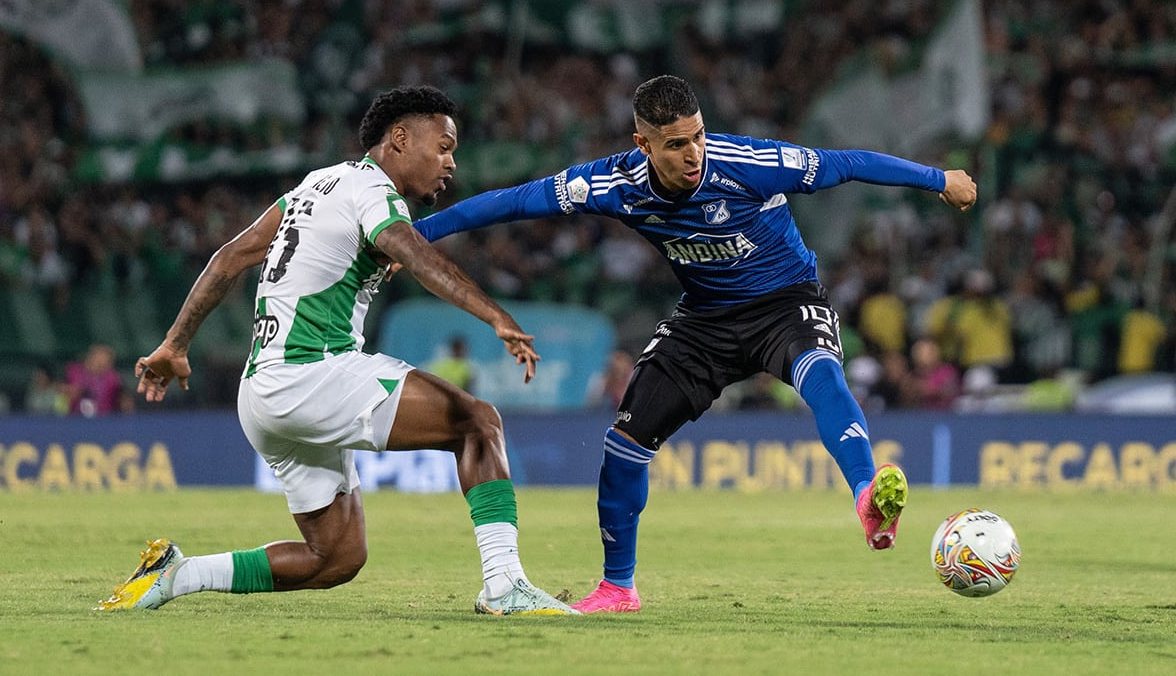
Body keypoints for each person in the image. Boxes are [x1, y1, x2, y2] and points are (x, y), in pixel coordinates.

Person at [414, 75, 978, 613]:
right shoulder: (612, 184)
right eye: (677, 144)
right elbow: (511, 202)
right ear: (643, 144)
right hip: (704, 322)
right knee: (623, 444)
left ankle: (865, 495)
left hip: (785, 303)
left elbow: (847, 163)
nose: (694, 154)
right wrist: (416, 238)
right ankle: (617, 587)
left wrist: (938, 179)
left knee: (822, 373)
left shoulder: (748, 164)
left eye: (699, 136)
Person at [95, 86, 576, 616]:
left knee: (335, 557)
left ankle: (177, 575)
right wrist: (496, 317)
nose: (450, 163)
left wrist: (175, 343)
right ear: (399, 139)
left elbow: (230, 258)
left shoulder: (315, 184)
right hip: (312, 372)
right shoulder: (373, 191)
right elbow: (413, 253)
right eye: (442, 147)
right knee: (479, 424)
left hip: (261, 397)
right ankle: (505, 584)